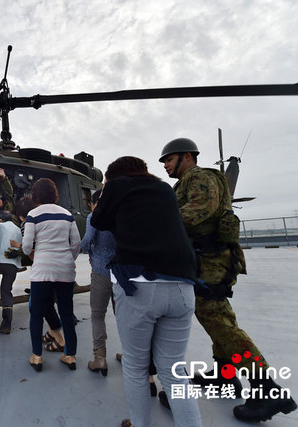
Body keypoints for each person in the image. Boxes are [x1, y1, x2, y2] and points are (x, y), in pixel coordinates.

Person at [160, 138, 297, 422]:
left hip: (210, 261)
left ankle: (267, 389)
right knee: (218, 320)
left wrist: (157, 221)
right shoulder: (190, 180)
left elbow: (199, 210)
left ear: (187, 156)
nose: (165, 165)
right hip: (206, 260)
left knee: (220, 324)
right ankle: (225, 376)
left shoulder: (199, 178)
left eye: (168, 159)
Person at [92, 156, 202, 427]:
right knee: (175, 371)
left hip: (139, 286)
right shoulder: (165, 189)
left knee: (135, 367)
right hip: (182, 287)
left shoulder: (117, 187)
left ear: (113, 176)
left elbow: (100, 221)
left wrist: (107, 189)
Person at [22, 178, 80, 372]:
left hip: (42, 270)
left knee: (37, 314)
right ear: (55, 194)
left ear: (35, 195)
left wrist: (35, 255)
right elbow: (76, 244)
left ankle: (37, 356)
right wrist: (66, 258)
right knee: (66, 313)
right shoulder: (67, 215)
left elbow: (27, 245)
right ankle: (70, 356)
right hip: (65, 269)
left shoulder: (33, 215)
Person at [11, 196, 67, 352]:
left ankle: (59, 340)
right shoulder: (53, 220)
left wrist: (18, 247)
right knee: (48, 304)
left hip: (43, 271)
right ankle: (52, 332)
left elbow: (30, 250)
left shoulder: (27, 224)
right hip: (60, 268)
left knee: (38, 307)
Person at [80, 190, 116, 376]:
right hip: (120, 273)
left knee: (97, 315)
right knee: (124, 315)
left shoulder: (94, 216)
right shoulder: (120, 214)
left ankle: (100, 358)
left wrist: (84, 248)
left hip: (101, 271)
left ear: (94, 203)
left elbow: (87, 241)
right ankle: (130, 353)